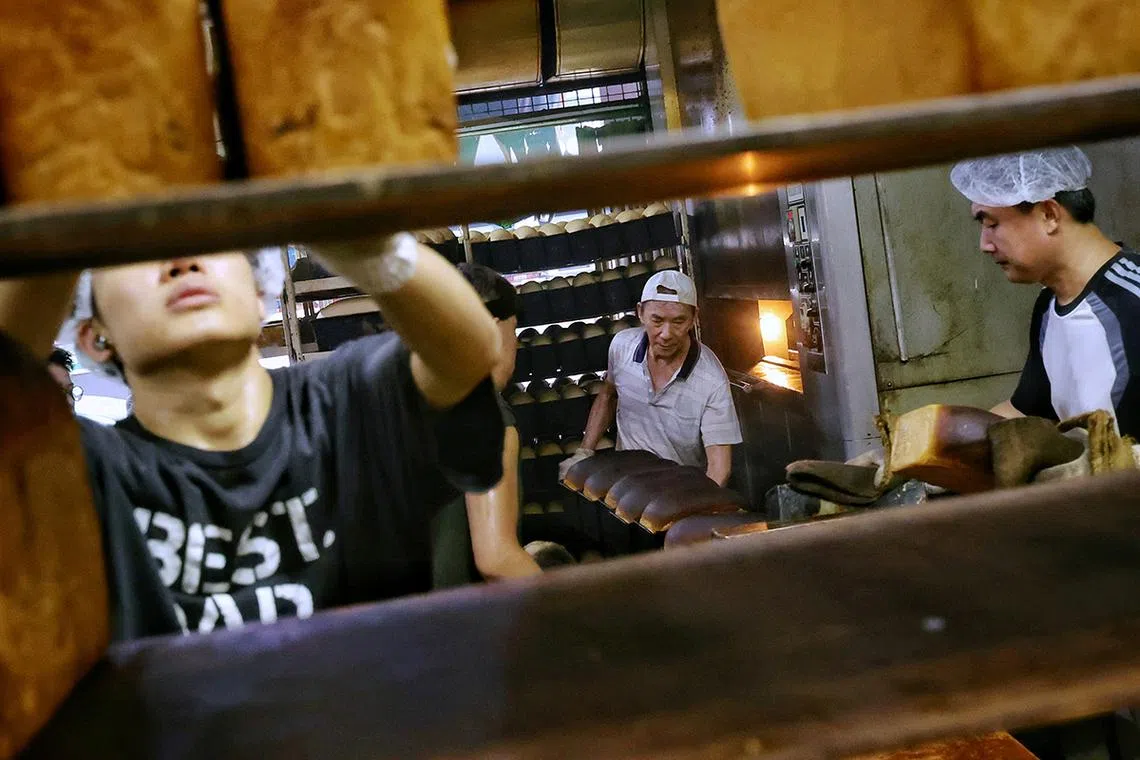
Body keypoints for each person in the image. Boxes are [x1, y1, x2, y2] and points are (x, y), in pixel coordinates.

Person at [0, 235, 505, 640]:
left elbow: (470, 350)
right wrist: (56, 228)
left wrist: (373, 249)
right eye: (137, 251)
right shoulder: (83, 469)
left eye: (212, 240)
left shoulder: (348, 400)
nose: (183, 261)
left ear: (261, 293)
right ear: (94, 336)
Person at [951, 146, 1139, 437]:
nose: (984, 244)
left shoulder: (1133, 298)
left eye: (992, 224)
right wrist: (930, 447)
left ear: (1049, 214)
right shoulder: (1048, 306)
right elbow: (1024, 412)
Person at [560, 270, 742, 486]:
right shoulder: (621, 347)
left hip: (679, 489)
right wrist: (584, 451)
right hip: (626, 485)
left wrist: (699, 502)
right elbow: (608, 396)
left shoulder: (711, 379)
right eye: (657, 320)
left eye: (678, 321)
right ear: (640, 313)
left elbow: (720, 469)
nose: (666, 333)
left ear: (694, 318)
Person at [431, 263, 541, 586]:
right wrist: (570, 604)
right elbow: (497, 559)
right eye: (513, 329)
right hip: (453, 613)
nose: (515, 343)